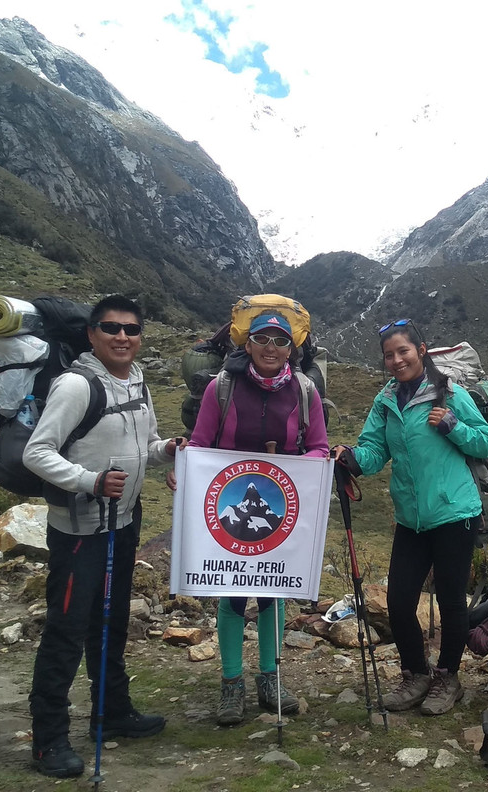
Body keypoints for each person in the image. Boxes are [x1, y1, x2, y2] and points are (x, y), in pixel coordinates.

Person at [23, 295, 185, 778]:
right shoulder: (75, 385)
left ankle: (111, 712)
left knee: (111, 622)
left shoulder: (136, 381)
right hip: (79, 531)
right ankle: (47, 740)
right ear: (92, 333)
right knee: (67, 631)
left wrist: (169, 450)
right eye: (111, 328)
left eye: (131, 330)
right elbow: (38, 452)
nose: (122, 337)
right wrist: (89, 481)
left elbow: (146, 445)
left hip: (123, 521)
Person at [332, 318, 488, 716]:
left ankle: (447, 678)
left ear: (421, 350)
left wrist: (453, 425)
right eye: (389, 355)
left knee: (452, 602)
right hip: (411, 520)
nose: (396, 360)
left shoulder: (449, 393)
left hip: (455, 513)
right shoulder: (386, 400)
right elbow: (374, 450)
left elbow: (485, 440)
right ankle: (415, 674)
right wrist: (352, 459)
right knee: (399, 600)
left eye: (403, 351)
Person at [184, 311, 329, 726]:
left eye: (281, 341)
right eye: (262, 338)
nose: (271, 347)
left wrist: (299, 470)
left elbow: (318, 446)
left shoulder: (304, 392)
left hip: (280, 509)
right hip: (230, 506)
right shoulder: (221, 388)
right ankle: (232, 683)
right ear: (247, 344)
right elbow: (200, 443)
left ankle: (271, 677)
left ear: (291, 349)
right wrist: (186, 464)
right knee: (232, 592)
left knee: (271, 591)